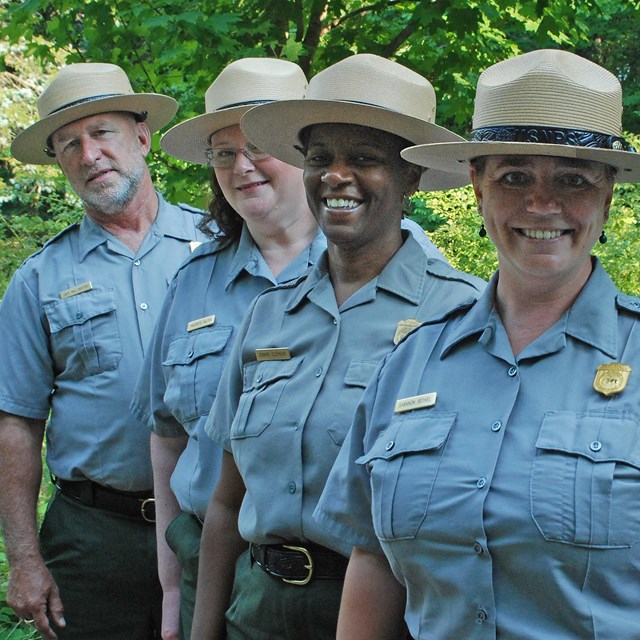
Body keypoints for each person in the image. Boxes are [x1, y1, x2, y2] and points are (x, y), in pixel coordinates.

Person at [315, 49, 640, 640]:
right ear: (476, 188)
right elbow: (372, 562)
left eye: (573, 179)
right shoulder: (411, 364)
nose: (542, 204)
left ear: (608, 194)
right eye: (514, 177)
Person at [190, 53, 485, 640]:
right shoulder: (268, 315)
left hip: (393, 617)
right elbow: (225, 503)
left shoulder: (463, 316)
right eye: (320, 158)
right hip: (257, 609)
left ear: (412, 177)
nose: (336, 176)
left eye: (366, 160)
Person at [0, 62, 207, 640]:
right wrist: (23, 561)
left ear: (142, 136)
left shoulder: (218, 251)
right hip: (93, 537)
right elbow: (15, 424)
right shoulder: (38, 279)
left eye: (102, 133)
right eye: (69, 144)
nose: (88, 154)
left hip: (206, 525)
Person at [130, 57, 324, 640]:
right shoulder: (193, 282)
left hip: (333, 584)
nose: (241, 167)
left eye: (258, 145)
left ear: (305, 152)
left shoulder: (391, 268)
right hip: (205, 567)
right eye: (222, 152)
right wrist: (170, 593)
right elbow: (166, 443)